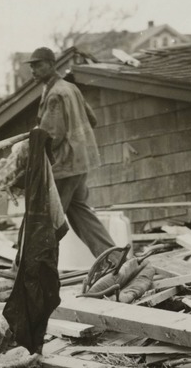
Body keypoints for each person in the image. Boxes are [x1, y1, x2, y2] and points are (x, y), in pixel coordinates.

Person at [25, 46, 116, 258]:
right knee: (81, 214)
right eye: (31, 66)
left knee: (45, 218)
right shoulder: (70, 88)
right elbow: (91, 119)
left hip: (65, 166)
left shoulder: (56, 93)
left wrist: (29, 152)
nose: (33, 70)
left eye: (38, 65)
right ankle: (113, 257)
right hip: (80, 162)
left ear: (51, 64)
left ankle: (27, 267)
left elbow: (51, 135)